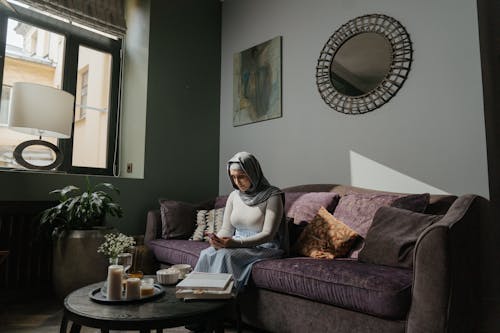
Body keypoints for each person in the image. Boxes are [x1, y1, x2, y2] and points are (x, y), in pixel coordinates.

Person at [193, 151, 286, 291]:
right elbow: (227, 229)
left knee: (225, 255)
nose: (237, 182)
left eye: (241, 176)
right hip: (236, 241)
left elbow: (268, 234)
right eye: (233, 177)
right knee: (206, 253)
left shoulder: (273, 195)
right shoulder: (234, 196)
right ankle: (198, 295)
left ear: (253, 173)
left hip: (264, 246)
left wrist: (236, 243)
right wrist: (218, 239)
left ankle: (222, 302)